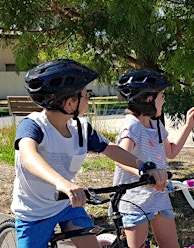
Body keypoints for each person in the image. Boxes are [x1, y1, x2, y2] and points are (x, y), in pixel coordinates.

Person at [11, 59, 168, 248]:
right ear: (70, 103)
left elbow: (111, 149)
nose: (88, 98)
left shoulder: (81, 128)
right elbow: (29, 157)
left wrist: (144, 166)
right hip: (34, 212)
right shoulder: (33, 125)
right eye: (86, 95)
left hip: (67, 206)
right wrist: (63, 184)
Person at [114, 68, 194, 247]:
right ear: (148, 99)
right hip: (135, 197)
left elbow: (171, 151)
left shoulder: (156, 125)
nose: (163, 100)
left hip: (159, 194)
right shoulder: (132, 126)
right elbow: (120, 158)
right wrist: (144, 173)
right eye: (161, 96)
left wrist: (188, 125)